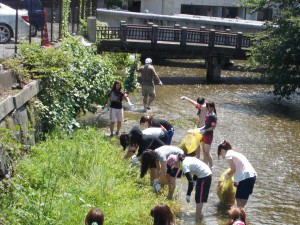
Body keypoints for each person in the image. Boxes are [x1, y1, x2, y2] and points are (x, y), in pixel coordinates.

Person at [166, 154, 212, 218]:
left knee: (199, 197)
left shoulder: (184, 165)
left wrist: (188, 194)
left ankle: (198, 216)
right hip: (204, 174)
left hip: (205, 176)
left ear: (176, 163)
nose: (175, 168)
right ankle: (199, 213)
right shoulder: (185, 159)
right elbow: (196, 168)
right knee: (198, 195)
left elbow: (190, 182)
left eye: (174, 166)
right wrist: (195, 180)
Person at [217, 140, 257, 208]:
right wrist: (236, 181)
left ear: (222, 150)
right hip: (252, 175)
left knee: (238, 198)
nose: (222, 156)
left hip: (245, 177)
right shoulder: (236, 153)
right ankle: (241, 215)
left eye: (220, 153)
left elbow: (233, 170)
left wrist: (226, 176)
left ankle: (238, 216)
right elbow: (238, 169)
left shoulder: (228, 155)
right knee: (243, 200)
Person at [200, 101, 217, 169]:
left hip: (209, 135)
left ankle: (211, 166)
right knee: (204, 151)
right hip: (204, 134)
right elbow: (206, 125)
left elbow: (213, 127)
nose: (207, 108)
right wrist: (200, 129)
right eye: (206, 107)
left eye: (208, 107)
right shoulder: (207, 113)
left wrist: (205, 130)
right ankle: (205, 165)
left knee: (207, 152)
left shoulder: (212, 115)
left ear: (212, 108)